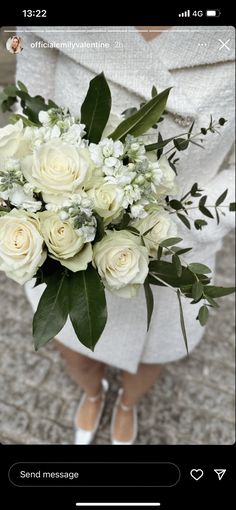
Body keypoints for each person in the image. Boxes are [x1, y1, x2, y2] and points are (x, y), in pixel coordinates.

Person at [16, 25, 235, 445]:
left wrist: (178, 220)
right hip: (61, 240)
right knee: (72, 344)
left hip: (178, 243)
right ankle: (92, 392)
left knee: (154, 353)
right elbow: (30, 111)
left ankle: (128, 404)